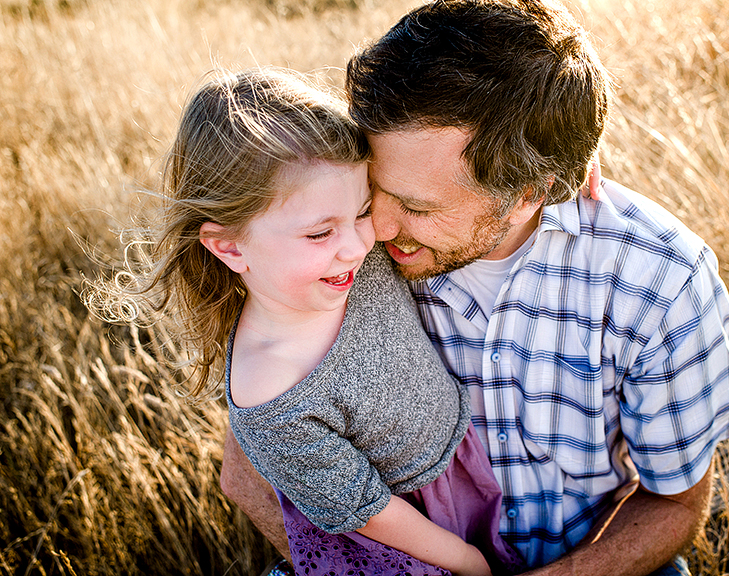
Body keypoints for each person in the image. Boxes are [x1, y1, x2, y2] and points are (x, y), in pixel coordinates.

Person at [220, 0, 729, 575]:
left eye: (418, 207)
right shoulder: (338, 244)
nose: (376, 228)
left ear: (529, 190)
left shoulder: (658, 280)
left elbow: (674, 501)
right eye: (376, 190)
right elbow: (244, 472)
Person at [95, 67, 527, 575]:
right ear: (229, 245)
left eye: (362, 211)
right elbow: (364, 508)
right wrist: (464, 558)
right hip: (410, 532)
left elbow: (431, 156)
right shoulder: (270, 389)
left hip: (464, 471)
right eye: (320, 233)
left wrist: (537, 171)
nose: (359, 243)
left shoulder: (353, 259)